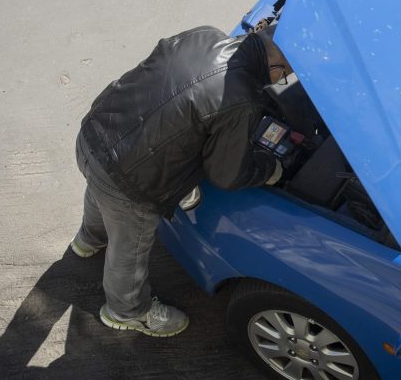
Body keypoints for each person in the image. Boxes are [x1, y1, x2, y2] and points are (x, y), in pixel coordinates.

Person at [70, 24, 292, 337]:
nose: (281, 81)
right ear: (276, 65)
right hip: (130, 180)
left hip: (96, 133)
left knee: (100, 193)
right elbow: (225, 174)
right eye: (283, 75)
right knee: (129, 250)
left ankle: (87, 241)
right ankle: (126, 311)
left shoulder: (205, 36)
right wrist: (268, 168)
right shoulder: (242, 100)